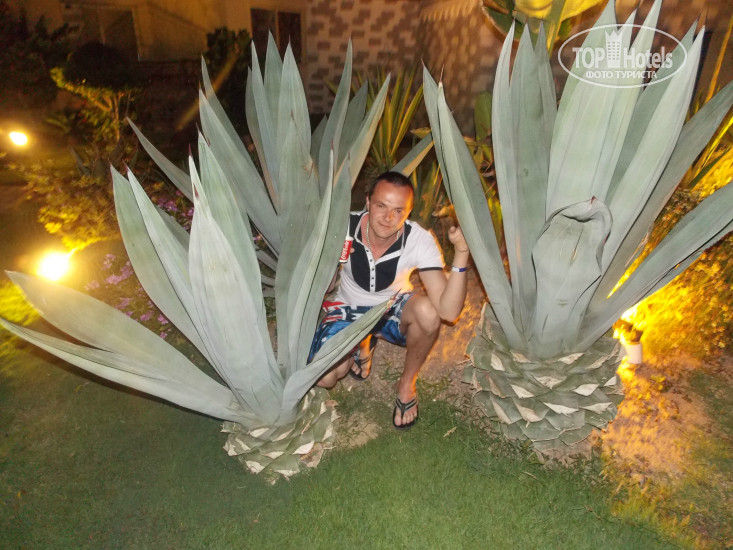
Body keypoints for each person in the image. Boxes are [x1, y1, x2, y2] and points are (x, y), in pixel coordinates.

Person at [309, 171, 470, 430]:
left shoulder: (418, 239)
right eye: (381, 206)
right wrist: (331, 260)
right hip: (348, 308)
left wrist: (461, 252)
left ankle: (406, 384)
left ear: (408, 212)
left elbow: (449, 312)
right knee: (325, 378)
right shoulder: (343, 227)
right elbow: (324, 286)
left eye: (398, 210)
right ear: (368, 202)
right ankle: (361, 340)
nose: (388, 218)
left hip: (391, 308)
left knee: (428, 313)